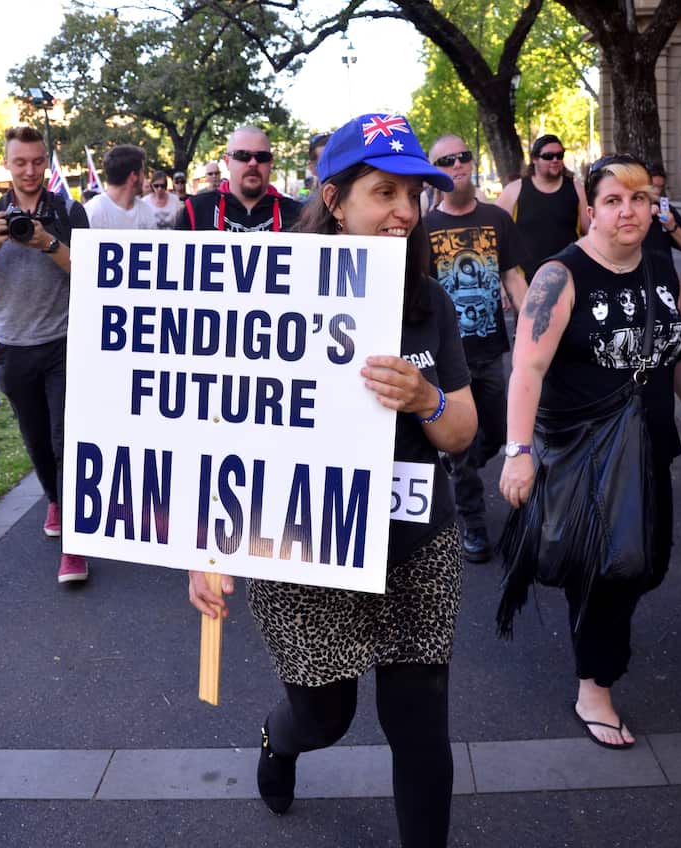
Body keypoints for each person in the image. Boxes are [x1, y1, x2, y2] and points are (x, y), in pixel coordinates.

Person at [188, 113, 475, 848]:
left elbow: (464, 431)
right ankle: (279, 741)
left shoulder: (428, 302)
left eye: (415, 195)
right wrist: (210, 549)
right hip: (302, 546)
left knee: (420, 724)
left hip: (417, 547)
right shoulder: (274, 296)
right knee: (326, 713)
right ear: (336, 199)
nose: (405, 212)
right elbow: (224, 428)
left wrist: (427, 399)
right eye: (385, 193)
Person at [498, 153, 681, 749]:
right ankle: (594, 686)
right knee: (611, 569)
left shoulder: (656, 267)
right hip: (582, 452)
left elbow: (675, 353)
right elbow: (527, 368)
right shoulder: (560, 276)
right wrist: (517, 451)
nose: (629, 210)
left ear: (655, 206)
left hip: (646, 448)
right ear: (590, 211)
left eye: (640, 199)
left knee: (644, 562)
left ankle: (595, 641)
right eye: (613, 201)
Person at [0, 125, 91, 584]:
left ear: (47, 161)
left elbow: (91, 272)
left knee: (64, 441)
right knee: (36, 439)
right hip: (14, 345)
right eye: (21, 162)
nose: (30, 170)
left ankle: (75, 547)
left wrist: (47, 242)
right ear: (7, 165)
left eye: (37, 161)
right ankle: (54, 499)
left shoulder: (68, 209)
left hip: (63, 343)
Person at [424, 134, 531, 562]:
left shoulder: (496, 220)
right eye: (445, 161)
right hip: (449, 363)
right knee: (461, 450)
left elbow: (514, 278)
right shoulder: (425, 227)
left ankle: (459, 463)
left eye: (462, 156)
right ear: (435, 171)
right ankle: (472, 523)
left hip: (491, 352)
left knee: (500, 434)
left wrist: (535, 333)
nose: (456, 164)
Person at [495, 134, 591, 280]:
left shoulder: (576, 189)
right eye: (548, 156)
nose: (555, 160)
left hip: (568, 276)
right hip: (524, 280)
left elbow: (591, 231)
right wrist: (504, 281)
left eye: (559, 155)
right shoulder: (514, 190)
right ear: (534, 159)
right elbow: (496, 235)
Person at [176, 126, 301, 232]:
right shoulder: (196, 210)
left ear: (271, 163)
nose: (253, 163)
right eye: (242, 155)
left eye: (262, 157)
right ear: (227, 161)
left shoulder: (299, 216)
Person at [84, 145, 157, 230]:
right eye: (142, 172)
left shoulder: (146, 212)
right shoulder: (94, 211)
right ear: (133, 176)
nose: (144, 178)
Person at [642, 163, 681, 277]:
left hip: (663, 278)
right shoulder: (628, 211)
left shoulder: (665, 209)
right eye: (652, 186)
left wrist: (672, 226)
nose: (656, 191)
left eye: (660, 187)